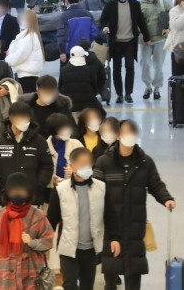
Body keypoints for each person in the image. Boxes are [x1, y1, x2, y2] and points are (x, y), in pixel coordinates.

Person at [94, 119, 175, 290]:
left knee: (133, 274)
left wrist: (166, 198)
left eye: (133, 133)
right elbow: (95, 190)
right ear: (118, 136)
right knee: (110, 275)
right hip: (111, 226)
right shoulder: (104, 162)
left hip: (135, 225)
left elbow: (155, 184)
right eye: (126, 133)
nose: (129, 136)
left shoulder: (145, 162)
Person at [47, 148, 121, 290]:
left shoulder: (101, 188)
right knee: (70, 285)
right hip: (68, 248)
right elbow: (51, 219)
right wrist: (45, 244)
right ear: (72, 165)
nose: (85, 167)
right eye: (81, 164)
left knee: (87, 286)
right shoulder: (61, 190)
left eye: (88, 164)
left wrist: (115, 238)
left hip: (91, 249)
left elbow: (110, 215)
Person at [0, 172, 54, 288]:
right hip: (4, 275)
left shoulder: (38, 216)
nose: (17, 193)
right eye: (13, 190)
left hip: (31, 274)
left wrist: (32, 242)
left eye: (21, 190)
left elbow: (48, 242)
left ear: (28, 192)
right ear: (7, 193)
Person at [0, 101, 54, 206]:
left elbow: (47, 166)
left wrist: (38, 184)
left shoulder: (39, 141)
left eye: (26, 117)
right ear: (11, 118)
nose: (24, 120)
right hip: (7, 198)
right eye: (20, 117)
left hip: (32, 199)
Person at [100, 0, 151, 104]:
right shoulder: (110, 5)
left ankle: (128, 93)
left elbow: (141, 22)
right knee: (116, 69)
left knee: (130, 67)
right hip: (116, 42)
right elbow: (102, 20)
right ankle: (119, 94)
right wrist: (104, 27)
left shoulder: (135, 5)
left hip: (129, 41)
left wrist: (146, 37)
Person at [139, 0, 171, 100]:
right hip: (145, 41)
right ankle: (147, 86)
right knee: (145, 64)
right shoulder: (139, 5)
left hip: (160, 39)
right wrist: (142, 38)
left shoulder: (163, 3)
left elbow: (174, 15)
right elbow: (136, 24)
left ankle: (157, 88)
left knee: (159, 66)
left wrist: (169, 29)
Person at [4, 10, 44, 93]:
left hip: (26, 76)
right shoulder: (32, 35)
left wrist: (8, 57)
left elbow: (19, 57)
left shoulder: (28, 38)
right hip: (29, 74)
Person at [59, 46, 106, 115]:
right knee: (102, 113)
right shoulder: (89, 70)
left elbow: (60, 88)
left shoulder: (63, 70)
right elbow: (95, 86)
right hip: (88, 105)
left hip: (69, 106)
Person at [58, 0, 100, 65]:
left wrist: (62, 52)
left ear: (66, 1)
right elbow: (94, 33)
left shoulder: (65, 16)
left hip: (69, 54)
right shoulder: (88, 14)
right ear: (79, 0)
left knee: (68, 75)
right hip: (84, 52)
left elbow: (62, 35)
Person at [45, 114, 83, 195]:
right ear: (53, 130)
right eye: (62, 128)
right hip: (51, 192)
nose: (66, 130)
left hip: (74, 189)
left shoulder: (76, 143)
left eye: (67, 127)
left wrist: (76, 172)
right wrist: (52, 180)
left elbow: (87, 164)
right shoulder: (44, 145)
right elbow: (40, 169)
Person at [165, 0, 184, 75]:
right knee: (178, 77)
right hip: (179, 50)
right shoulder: (174, 11)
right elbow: (177, 25)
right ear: (180, 0)